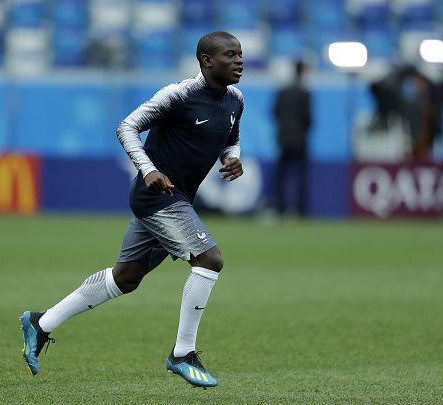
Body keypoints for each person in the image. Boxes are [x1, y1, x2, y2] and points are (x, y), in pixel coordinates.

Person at [19, 31, 244, 388]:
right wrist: (148, 168)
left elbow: (230, 139)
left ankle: (40, 323)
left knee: (126, 278)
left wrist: (233, 159)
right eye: (229, 55)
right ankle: (183, 353)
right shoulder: (179, 95)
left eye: (240, 54)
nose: (238, 61)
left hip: (179, 195)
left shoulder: (235, 99)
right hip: (157, 196)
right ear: (206, 60)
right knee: (209, 259)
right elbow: (127, 126)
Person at [272, 60, 311, 217]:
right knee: (301, 175)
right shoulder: (304, 93)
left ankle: (281, 207)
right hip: (300, 140)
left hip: (284, 140)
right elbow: (308, 118)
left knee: (282, 176)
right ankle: (301, 210)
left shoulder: (282, 91)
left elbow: (275, 112)